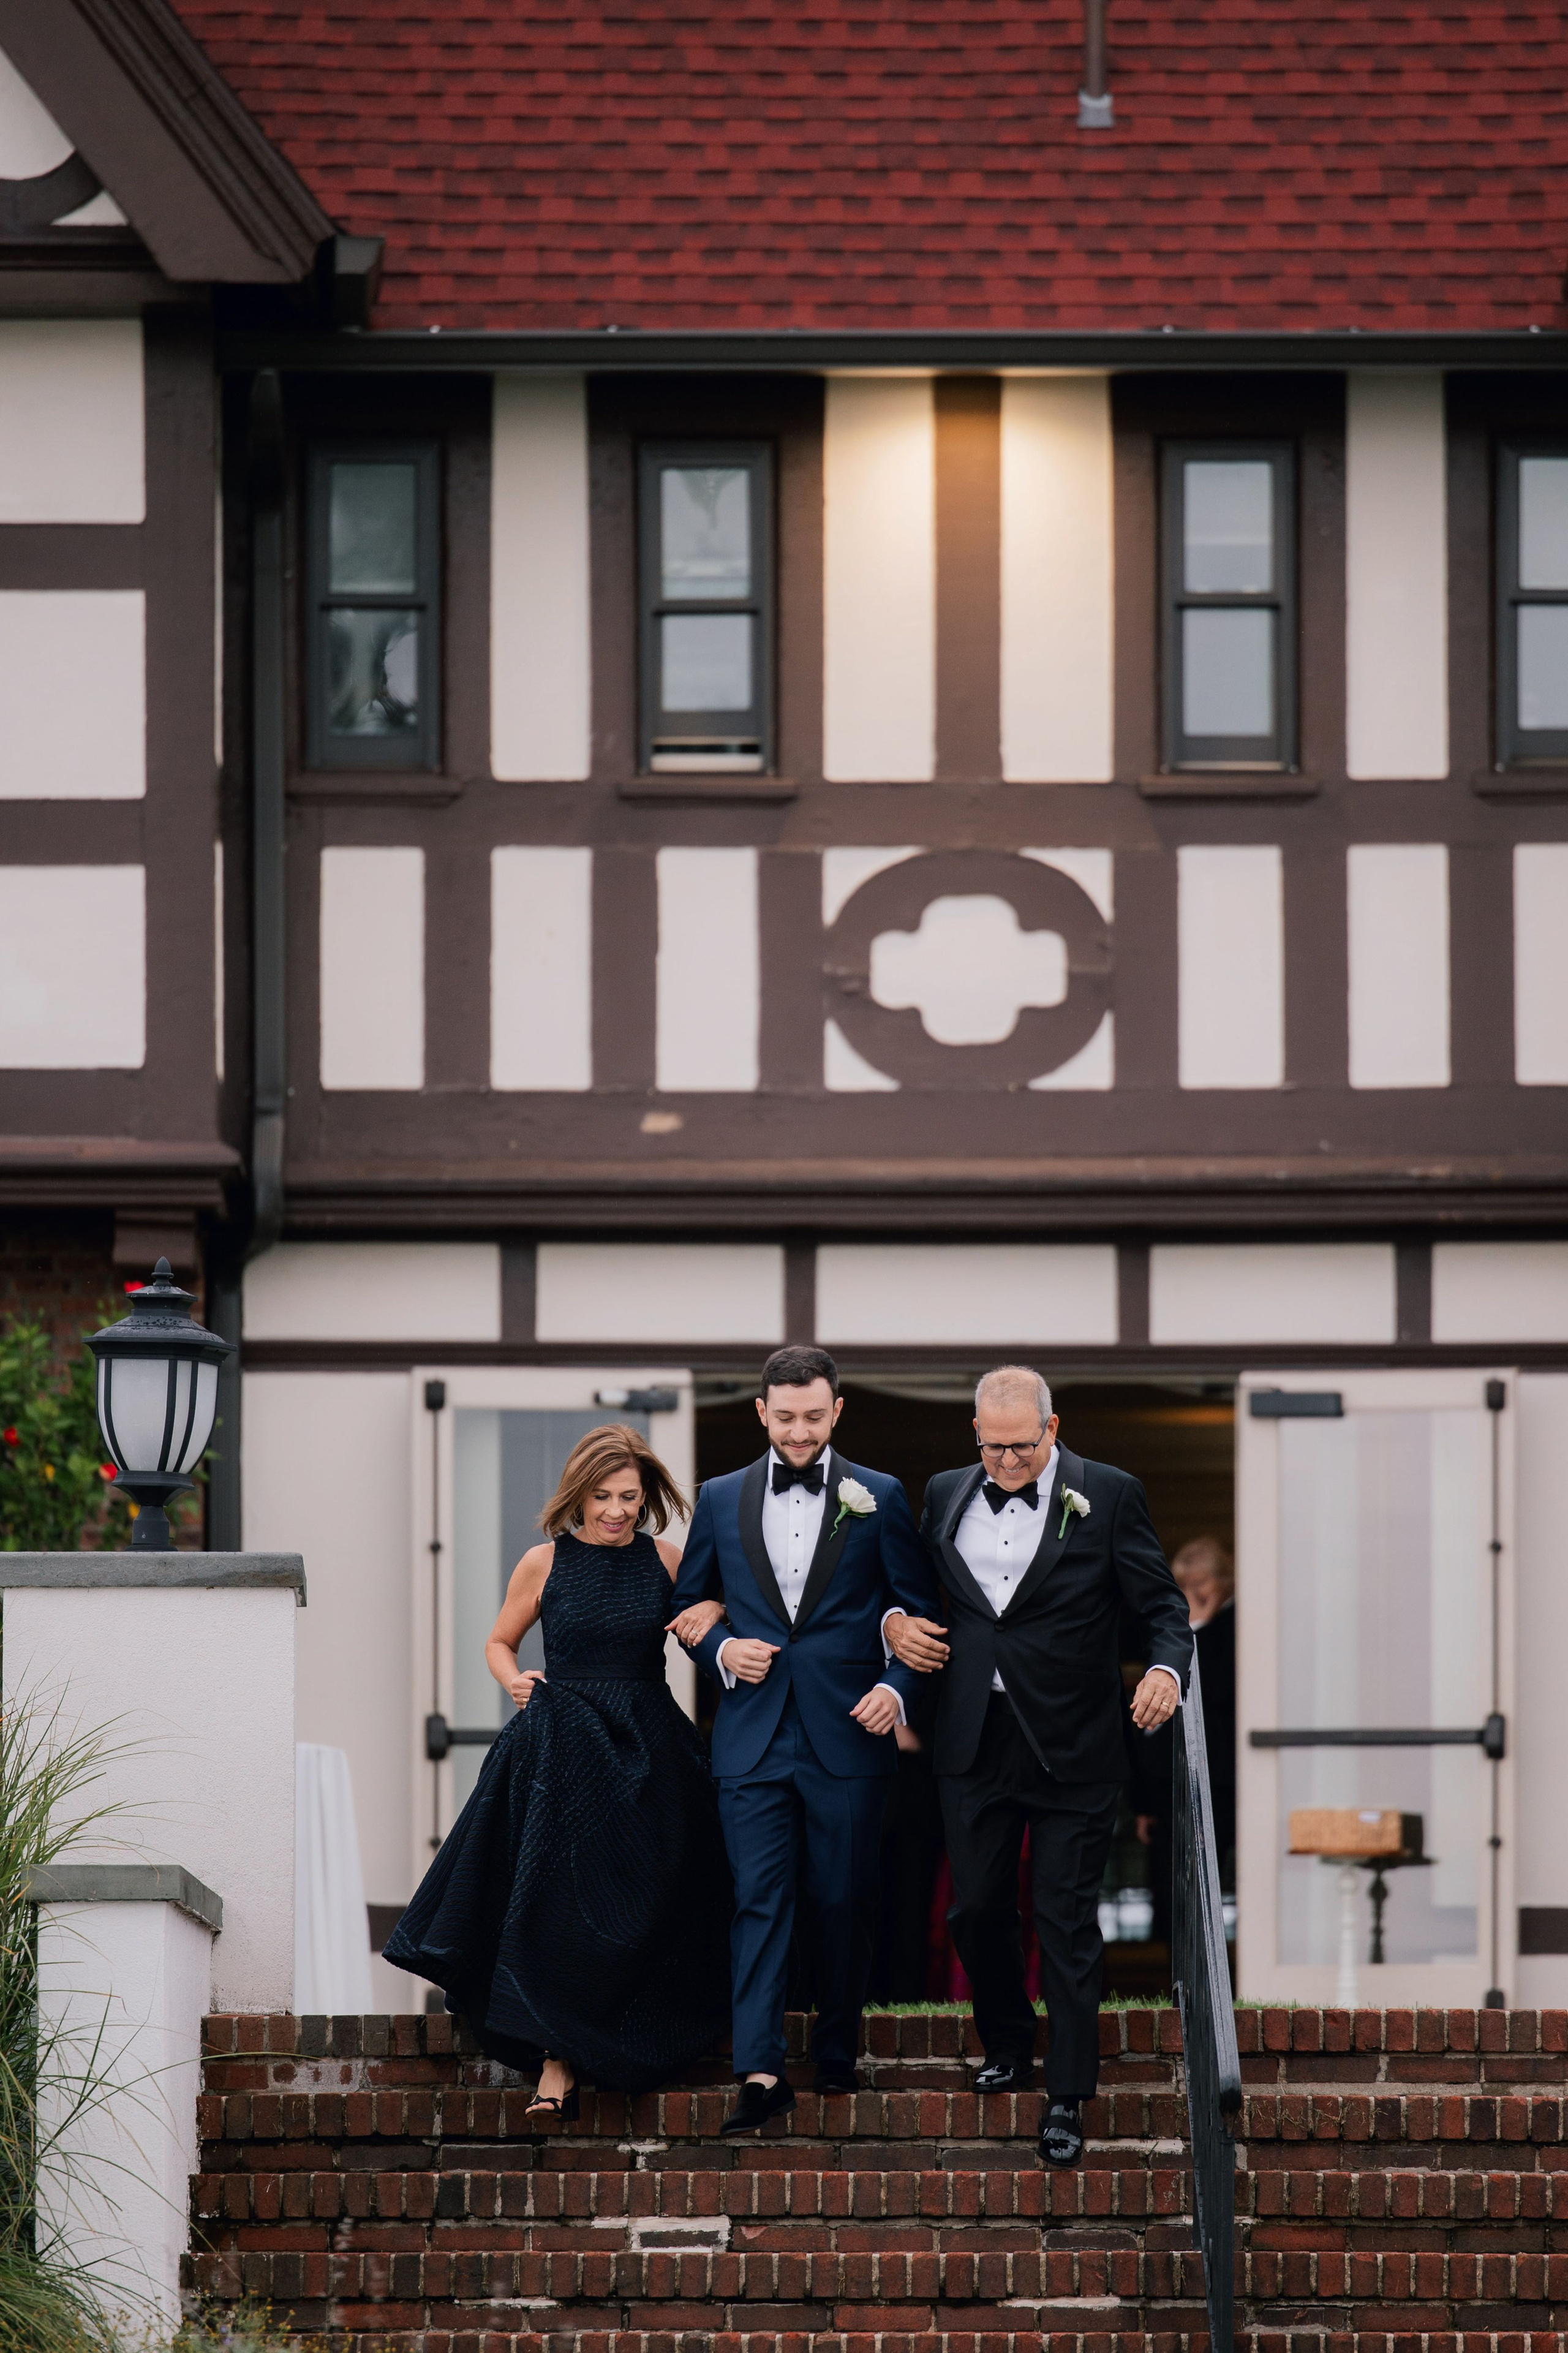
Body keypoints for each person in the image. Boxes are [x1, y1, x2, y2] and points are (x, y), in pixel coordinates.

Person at [889, 1364, 1192, 2168]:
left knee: (1063, 1919)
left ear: (1051, 1431)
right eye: (994, 1448)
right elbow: (913, 1589)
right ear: (975, 1436)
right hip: (973, 1738)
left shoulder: (1111, 1492)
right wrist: (894, 1624)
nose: (1008, 1463)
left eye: (1022, 1447)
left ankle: (1067, 2094)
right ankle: (1008, 2041)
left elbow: (1162, 1607)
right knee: (975, 1911)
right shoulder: (946, 1490)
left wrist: (1165, 1671)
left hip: (1075, 1744)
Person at [383, 1424, 731, 2115]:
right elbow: (497, 1641)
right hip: (560, 1743)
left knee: (652, 1893)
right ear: (578, 1494)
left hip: (647, 1743)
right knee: (551, 1899)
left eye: (629, 1496)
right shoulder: (542, 1563)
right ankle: (554, 2059)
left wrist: (714, 1605)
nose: (615, 1510)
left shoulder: (666, 1558)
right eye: (602, 1496)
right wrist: (514, 1679)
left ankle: (627, 2035)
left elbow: (711, 1610)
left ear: (646, 1495)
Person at [666, 1345, 942, 2133]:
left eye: (813, 1417)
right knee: (757, 1900)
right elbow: (691, 1610)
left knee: (843, 1897)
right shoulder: (718, 1498)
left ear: (837, 1411)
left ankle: (836, 2050)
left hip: (850, 1734)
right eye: (784, 1417)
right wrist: (719, 1650)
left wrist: (896, 1688)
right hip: (750, 1737)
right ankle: (758, 2071)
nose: (798, 1432)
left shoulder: (881, 1496)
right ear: (761, 1412)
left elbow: (917, 1614)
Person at [1135, 1536, 1237, 1947]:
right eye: (1185, 1586)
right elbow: (1154, 1712)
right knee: (1171, 1883)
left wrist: (1196, 1628)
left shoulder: (1234, 1627)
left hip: (1223, 1779)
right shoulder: (1172, 1627)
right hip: (1170, 1782)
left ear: (1224, 1581)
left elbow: (1214, 1691)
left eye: (1202, 1584)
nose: (1193, 1595)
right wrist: (1144, 1798)